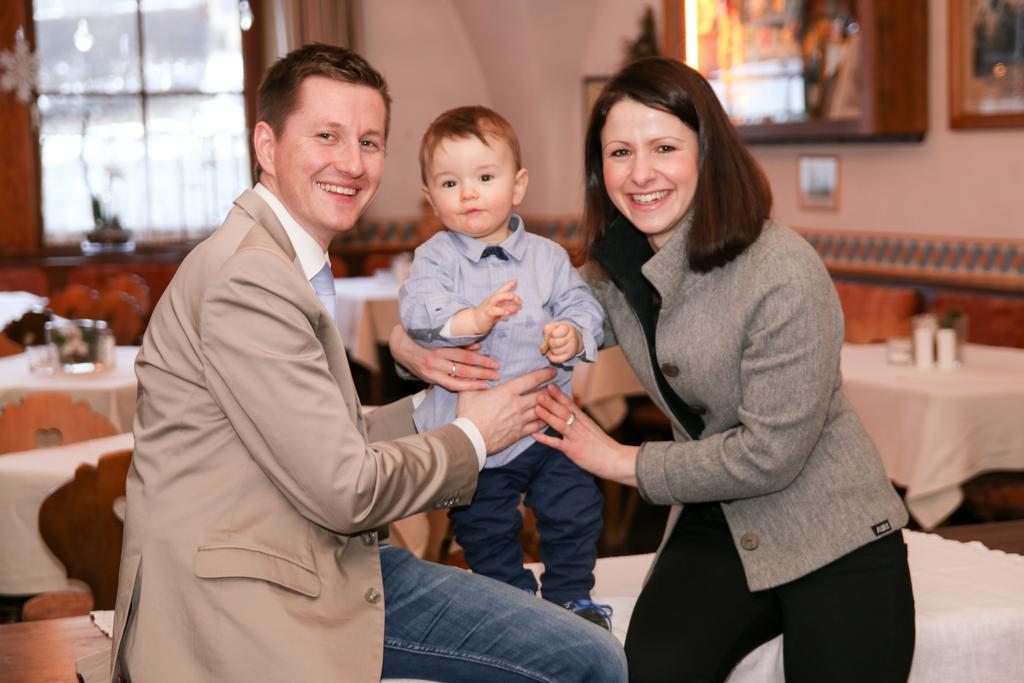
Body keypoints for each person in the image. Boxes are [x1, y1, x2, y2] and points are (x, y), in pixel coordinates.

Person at [110, 44, 626, 683]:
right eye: (326, 136)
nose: (352, 164)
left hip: (321, 558)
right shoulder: (249, 277)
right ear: (267, 147)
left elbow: (313, 439)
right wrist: (472, 434)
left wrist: (434, 403)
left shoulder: (280, 258)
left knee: (582, 645)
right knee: (588, 660)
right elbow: (345, 490)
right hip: (255, 596)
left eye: (370, 142)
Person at [391, 56, 916, 682]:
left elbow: (771, 457)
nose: (640, 174)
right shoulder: (617, 268)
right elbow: (536, 314)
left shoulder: (783, 271)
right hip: (716, 523)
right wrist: (406, 344)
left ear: (707, 152)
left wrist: (618, 459)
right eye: (619, 153)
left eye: (663, 147)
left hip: (832, 530)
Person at [400, 106, 610, 627]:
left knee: (576, 507)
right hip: (475, 434)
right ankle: (513, 604)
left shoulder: (549, 258)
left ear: (517, 187)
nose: (468, 193)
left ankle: (571, 597)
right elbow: (418, 310)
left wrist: (572, 334)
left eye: (484, 177)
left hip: (546, 424)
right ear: (430, 196)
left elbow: (584, 306)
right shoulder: (434, 258)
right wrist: (470, 318)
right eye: (450, 182)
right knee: (483, 527)